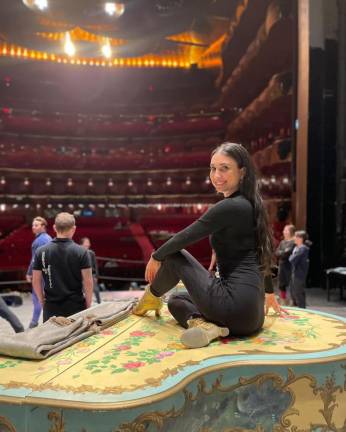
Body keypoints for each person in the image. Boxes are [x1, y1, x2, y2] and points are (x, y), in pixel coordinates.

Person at [133, 142, 284, 349]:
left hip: (232, 306)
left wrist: (156, 256)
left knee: (176, 255)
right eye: (213, 168)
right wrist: (268, 293)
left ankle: (150, 297)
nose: (216, 174)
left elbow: (185, 237)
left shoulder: (229, 206)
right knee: (176, 300)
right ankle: (208, 326)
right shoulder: (251, 204)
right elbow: (262, 253)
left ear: (242, 172)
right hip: (252, 317)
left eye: (225, 168)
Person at [32, 212, 94, 322]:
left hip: (51, 309)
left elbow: (36, 281)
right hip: (76, 308)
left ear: (54, 228)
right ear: (73, 229)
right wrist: (88, 305)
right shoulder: (82, 252)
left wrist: (42, 301)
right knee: (77, 339)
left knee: (52, 339)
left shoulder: (40, 251)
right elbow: (88, 281)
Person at [26, 216, 52, 328]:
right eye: (33, 225)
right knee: (48, 297)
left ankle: (33, 323)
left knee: (37, 298)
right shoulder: (50, 238)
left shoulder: (38, 241)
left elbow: (34, 260)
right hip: (49, 272)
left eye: (36, 225)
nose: (33, 227)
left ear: (43, 226)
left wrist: (29, 272)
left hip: (40, 273)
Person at [289, 230, 311, 308]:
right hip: (294, 273)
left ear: (300, 238)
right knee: (295, 293)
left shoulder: (303, 249)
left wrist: (291, 257)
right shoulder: (296, 248)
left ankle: (302, 310)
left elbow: (292, 259)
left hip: (299, 274)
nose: (294, 238)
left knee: (299, 293)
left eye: (296, 236)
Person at [275, 224, 295, 305]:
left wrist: (282, 253)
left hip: (289, 266)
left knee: (290, 284)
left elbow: (287, 253)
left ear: (290, 232)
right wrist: (282, 252)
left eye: (286, 230)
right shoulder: (282, 242)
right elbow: (277, 252)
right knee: (281, 284)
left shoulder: (293, 242)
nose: (284, 231)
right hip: (282, 265)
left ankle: (292, 301)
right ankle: (283, 300)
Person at [80, 237, 101, 304]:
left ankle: (99, 302)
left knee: (95, 289)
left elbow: (95, 265)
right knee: (82, 290)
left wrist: (96, 276)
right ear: (81, 244)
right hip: (81, 274)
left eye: (88, 242)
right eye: (86, 242)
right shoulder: (78, 252)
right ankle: (84, 303)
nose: (88, 244)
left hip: (91, 274)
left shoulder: (91, 253)